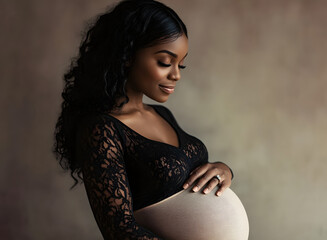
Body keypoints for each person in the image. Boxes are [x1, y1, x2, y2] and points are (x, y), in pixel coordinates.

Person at [53, 0, 248, 239]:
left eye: (181, 65)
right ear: (127, 55)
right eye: (165, 62)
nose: (175, 75)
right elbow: (120, 231)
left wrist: (223, 170)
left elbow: (188, 178)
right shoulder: (101, 131)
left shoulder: (162, 114)